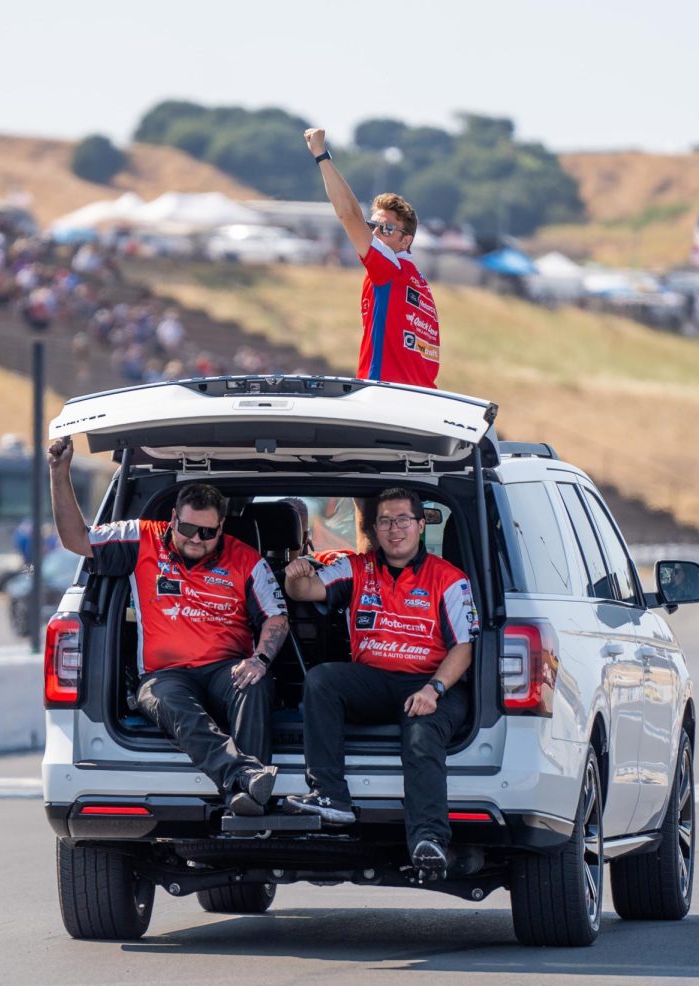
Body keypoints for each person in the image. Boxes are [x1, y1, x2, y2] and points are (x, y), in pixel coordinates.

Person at [48, 436, 289, 815]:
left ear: (222, 527)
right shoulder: (140, 537)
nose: (196, 540)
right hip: (165, 674)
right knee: (170, 702)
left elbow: (276, 618)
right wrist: (58, 473)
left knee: (255, 682)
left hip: (226, 669)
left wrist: (259, 659)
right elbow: (75, 539)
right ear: (173, 519)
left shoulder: (247, 560)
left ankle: (246, 797)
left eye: (208, 533)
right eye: (188, 529)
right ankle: (246, 778)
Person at [283, 487, 478, 878]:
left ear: (421, 526)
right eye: (386, 521)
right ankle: (330, 797)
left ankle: (429, 841)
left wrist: (433, 690)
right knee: (322, 680)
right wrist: (294, 575)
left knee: (422, 738)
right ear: (375, 527)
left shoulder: (449, 579)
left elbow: (464, 649)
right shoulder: (356, 567)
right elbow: (307, 591)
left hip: (433, 684)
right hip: (375, 680)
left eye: (403, 520)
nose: (394, 529)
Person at [304, 127, 440, 389]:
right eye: (373, 226)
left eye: (387, 229)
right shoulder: (417, 281)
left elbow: (348, 213)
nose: (376, 233)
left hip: (385, 394)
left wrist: (321, 155)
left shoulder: (390, 267)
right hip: (419, 399)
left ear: (406, 241)